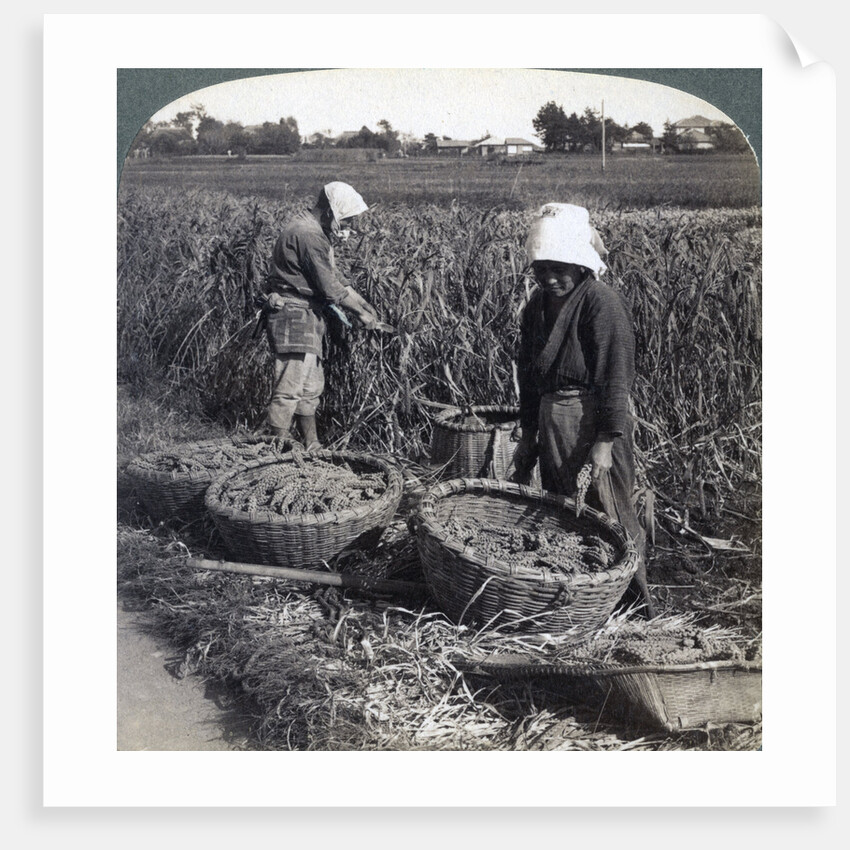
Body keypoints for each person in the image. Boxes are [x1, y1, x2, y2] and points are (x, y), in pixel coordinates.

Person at [510, 203, 656, 617]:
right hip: (552, 418)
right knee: (565, 511)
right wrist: (530, 433)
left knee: (610, 511)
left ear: (581, 265)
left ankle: (633, 603)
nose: (550, 278)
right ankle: (581, 601)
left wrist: (605, 442)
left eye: (560, 268)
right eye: (541, 269)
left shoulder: (600, 302)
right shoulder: (537, 305)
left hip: (589, 420)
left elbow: (615, 375)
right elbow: (529, 372)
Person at [260, 182, 380, 449]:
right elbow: (329, 288)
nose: (346, 224)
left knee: (309, 387)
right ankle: (277, 450)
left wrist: (365, 306)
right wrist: (361, 313)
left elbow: (335, 280)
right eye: (345, 218)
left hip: (307, 316)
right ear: (329, 211)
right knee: (289, 387)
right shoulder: (309, 235)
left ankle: (312, 445)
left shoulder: (311, 230)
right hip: (294, 315)